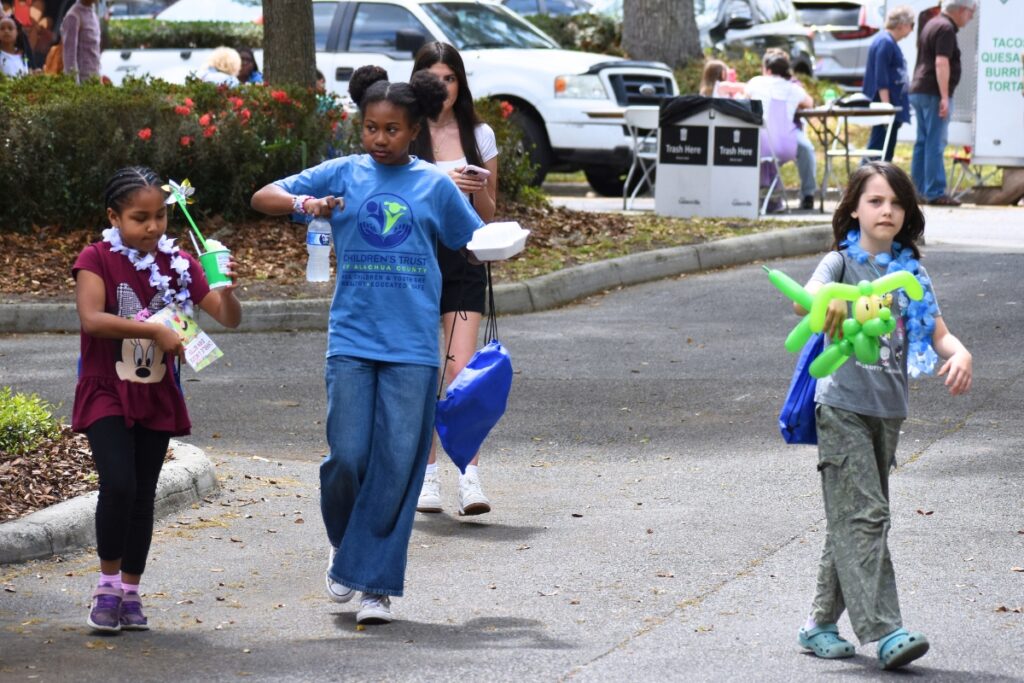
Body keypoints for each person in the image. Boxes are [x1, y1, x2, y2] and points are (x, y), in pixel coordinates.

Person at [250, 65, 485, 625]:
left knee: (396, 466)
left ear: (414, 131)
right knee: (347, 459)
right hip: (352, 341)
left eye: (392, 130)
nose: (380, 140)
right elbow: (263, 196)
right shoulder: (343, 175)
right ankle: (345, 543)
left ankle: (375, 584)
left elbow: (472, 241)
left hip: (412, 348)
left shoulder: (432, 184)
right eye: (371, 128)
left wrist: (497, 245)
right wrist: (306, 206)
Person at [794, 161, 972, 670]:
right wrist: (821, 307)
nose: (886, 210)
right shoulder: (840, 264)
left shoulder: (911, 273)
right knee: (866, 514)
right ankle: (886, 629)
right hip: (841, 405)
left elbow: (940, 334)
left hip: (888, 412)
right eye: (875, 201)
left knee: (852, 517)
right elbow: (807, 296)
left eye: (896, 203)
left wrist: (960, 354)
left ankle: (818, 623)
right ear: (854, 208)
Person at [73, 166, 243, 633]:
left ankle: (130, 591)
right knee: (119, 484)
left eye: (161, 218)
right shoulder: (96, 258)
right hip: (107, 386)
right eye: (139, 218)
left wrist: (224, 285)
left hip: (156, 391)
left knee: (144, 494)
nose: (152, 228)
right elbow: (92, 319)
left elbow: (227, 319)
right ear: (114, 216)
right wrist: (153, 329)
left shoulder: (180, 264)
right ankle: (106, 587)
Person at [409, 41, 498, 517]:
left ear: (459, 83)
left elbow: (489, 213)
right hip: (415, 261)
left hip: (465, 258)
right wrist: (443, 186)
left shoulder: (478, 134)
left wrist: (476, 188)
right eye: (433, 77)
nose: (442, 87)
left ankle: (468, 475)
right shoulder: (404, 131)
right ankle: (425, 478)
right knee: (424, 370)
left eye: (450, 78)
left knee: (459, 372)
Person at [909, 0, 977, 206]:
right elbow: (941, 62)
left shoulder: (932, 23)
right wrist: (944, 96)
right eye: (970, 13)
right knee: (935, 142)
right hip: (933, 92)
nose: (971, 17)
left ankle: (917, 190)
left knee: (922, 141)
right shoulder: (946, 28)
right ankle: (935, 191)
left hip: (919, 89)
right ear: (962, 10)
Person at [745, 50, 817, 211]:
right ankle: (808, 195)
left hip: (757, 142)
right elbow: (810, 103)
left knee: (804, 147)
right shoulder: (793, 88)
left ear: (768, 70)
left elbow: (745, 96)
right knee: (807, 149)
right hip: (785, 143)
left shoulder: (756, 82)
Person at [862, 6, 915, 162]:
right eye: (911, 25)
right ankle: (865, 182)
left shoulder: (887, 42)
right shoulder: (885, 42)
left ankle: (877, 180)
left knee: (885, 148)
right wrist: (886, 107)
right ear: (902, 24)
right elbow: (881, 76)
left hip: (891, 104)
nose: (912, 30)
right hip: (885, 104)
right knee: (879, 148)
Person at [61, 0, 99, 83]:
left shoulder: (94, 14)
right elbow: (69, 57)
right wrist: (75, 88)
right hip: (82, 85)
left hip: (94, 82)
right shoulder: (73, 16)